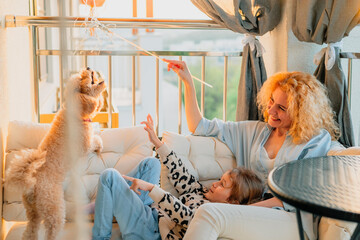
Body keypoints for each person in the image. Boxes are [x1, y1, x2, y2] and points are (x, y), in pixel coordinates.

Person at [165, 59, 340, 240]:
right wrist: (187, 82)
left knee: (210, 212)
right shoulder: (255, 131)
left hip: (291, 220)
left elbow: (294, 197)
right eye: (271, 101)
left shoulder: (314, 140)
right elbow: (199, 126)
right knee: (207, 212)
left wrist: (240, 210)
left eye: (281, 108)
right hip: (251, 215)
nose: (271, 111)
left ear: (300, 112)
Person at [92, 114, 264, 240]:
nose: (215, 183)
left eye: (222, 184)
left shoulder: (213, 215)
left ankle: (101, 233)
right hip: (153, 215)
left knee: (109, 176)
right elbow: (180, 173)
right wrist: (157, 142)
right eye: (220, 179)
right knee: (151, 164)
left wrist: (152, 189)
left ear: (232, 201)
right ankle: (108, 197)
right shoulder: (203, 192)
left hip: (152, 233)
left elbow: (186, 217)